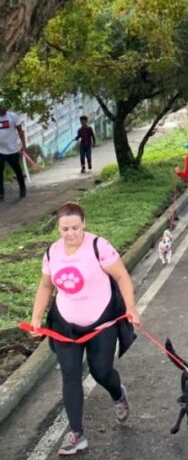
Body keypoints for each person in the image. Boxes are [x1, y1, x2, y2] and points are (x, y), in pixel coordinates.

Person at [29, 202, 140, 455]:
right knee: (70, 375)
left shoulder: (98, 246)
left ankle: (117, 394)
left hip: (101, 322)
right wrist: (36, 317)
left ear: (84, 224)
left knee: (101, 372)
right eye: (65, 229)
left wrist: (131, 307)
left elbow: (122, 276)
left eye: (75, 228)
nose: (70, 234)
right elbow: (46, 286)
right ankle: (77, 434)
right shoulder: (52, 252)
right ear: (58, 228)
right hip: (65, 325)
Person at [0, 99, 28, 202]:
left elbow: (20, 131)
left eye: (3, 107)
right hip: (0, 151)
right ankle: (1, 193)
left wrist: (23, 145)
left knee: (17, 170)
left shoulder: (12, 116)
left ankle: (22, 188)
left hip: (12, 150)